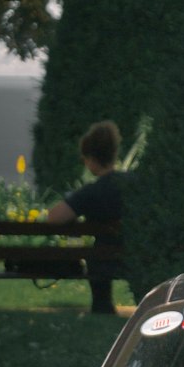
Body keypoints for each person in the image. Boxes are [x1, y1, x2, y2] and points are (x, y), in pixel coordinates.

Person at [46, 120, 124, 314]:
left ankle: (102, 306)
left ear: (91, 158)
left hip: (104, 262)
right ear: (113, 153)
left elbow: (54, 217)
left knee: (98, 253)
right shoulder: (135, 184)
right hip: (138, 255)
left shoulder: (92, 192)